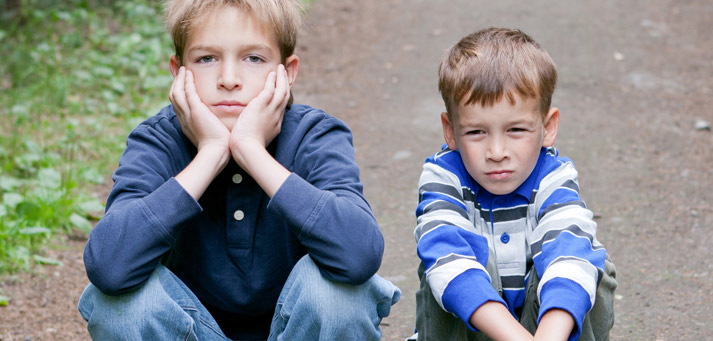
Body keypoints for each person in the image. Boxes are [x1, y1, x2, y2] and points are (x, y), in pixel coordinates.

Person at [77, 0, 400, 339]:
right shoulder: (157, 140)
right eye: (206, 59)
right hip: (191, 330)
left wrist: (251, 151)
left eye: (253, 58)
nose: (228, 79)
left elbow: (359, 255)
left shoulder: (314, 136)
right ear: (178, 71)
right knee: (120, 305)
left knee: (339, 296)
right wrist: (210, 154)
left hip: (294, 329)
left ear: (287, 73)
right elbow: (109, 267)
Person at [413, 27, 616, 340]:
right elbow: (446, 253)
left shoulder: (554, 176)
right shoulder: (443, 176)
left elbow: (568, 247)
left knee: (585, 262)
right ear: (450, 130)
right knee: (448, 264)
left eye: (516, 130)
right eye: (476, 132)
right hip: (474, 331)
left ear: (548, 127)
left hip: (543, 331)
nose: (497, 153)